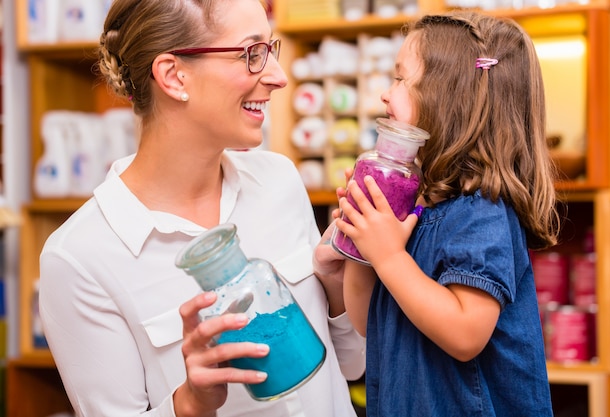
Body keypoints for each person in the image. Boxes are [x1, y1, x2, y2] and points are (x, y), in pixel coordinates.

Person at [38, 0, 365, 416]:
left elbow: (350, 364)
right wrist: (190, 403)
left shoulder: (278, 180)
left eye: (271, 49)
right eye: (251, 53)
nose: (279, 77)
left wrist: (338, 287)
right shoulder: (80, 258)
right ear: (174, 76)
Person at [335, 11, 559, 417]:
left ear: (447, 97)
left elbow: (465, 332)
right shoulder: (420, 205)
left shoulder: (482, 212)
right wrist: (362, 244)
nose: (386, 93)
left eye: (401, 78)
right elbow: (372, 323)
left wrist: (389, 256)